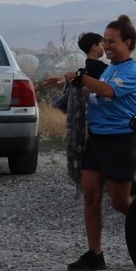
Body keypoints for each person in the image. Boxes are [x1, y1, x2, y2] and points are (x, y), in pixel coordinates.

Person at [68, 16, 136, 271]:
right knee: (91, 195)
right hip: (97, 139)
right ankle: (95, 253)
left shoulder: (132, 71)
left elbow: (107, 91)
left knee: (121, 202)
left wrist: (80, 77)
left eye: (112, 41)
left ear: (128, 42)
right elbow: (93, 91)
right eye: (105, 41)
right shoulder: (110, 67)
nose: (106, 46)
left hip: (120, 141)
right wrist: (67, 86)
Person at [46, 30, 102, 185]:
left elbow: (77, 78)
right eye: (103, 43)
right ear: (95, 47)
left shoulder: (86, 68)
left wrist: (63, 79)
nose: (105, 47)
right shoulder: (99, 68)